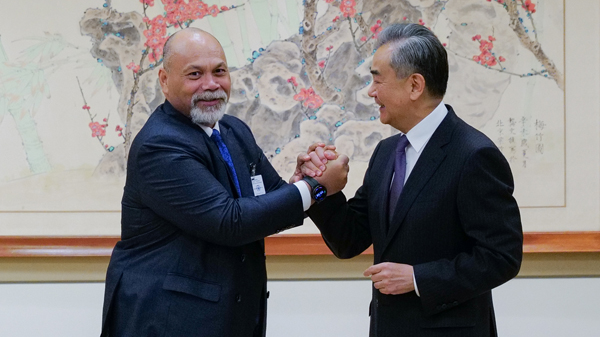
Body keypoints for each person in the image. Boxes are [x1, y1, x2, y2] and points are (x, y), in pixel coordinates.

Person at [100, 28, 347, 337]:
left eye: (219, 71)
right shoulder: (160, 145)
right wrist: (316, 187)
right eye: (194, 74)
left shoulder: (233, 131)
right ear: (164, 81)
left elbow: (271, 199)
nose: (211, 85)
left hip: (230, 316)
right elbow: (229, 222)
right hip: (169, 321)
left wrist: (303, 178)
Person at [304, 23, 523, 336]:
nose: (370, 91)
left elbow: (502, 257)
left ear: (415, 85)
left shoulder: (474, 155)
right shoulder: (386, 152)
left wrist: (418, 279)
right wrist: (320, 187)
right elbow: (349, 239)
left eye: (377, 79)